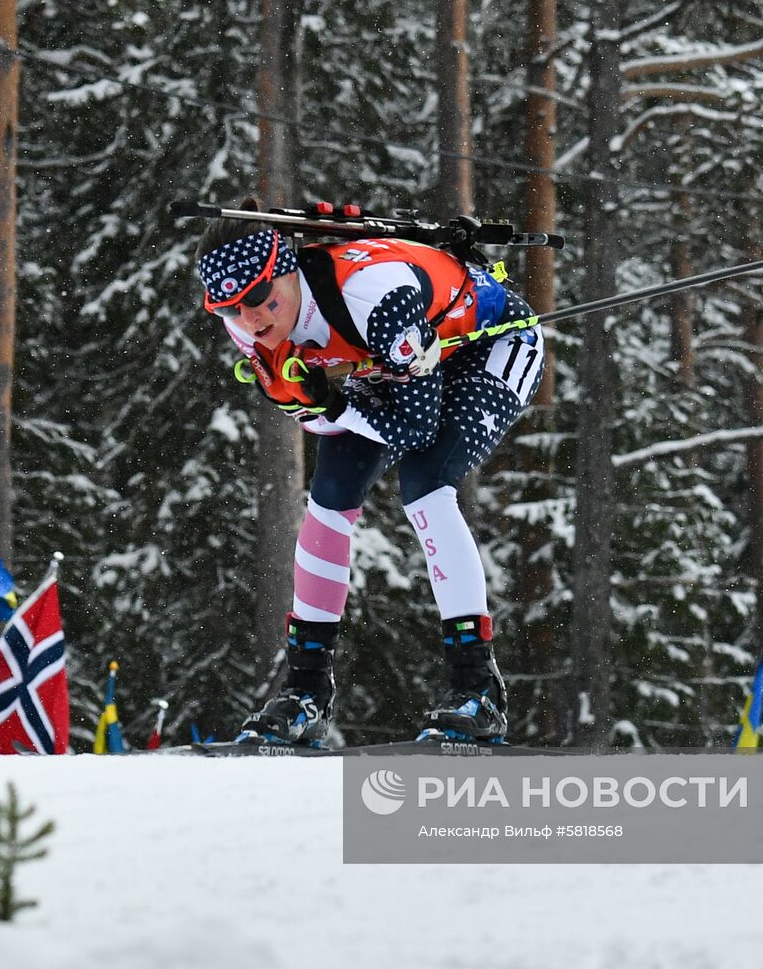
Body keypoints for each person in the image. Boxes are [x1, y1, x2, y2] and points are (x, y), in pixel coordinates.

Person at [195, 198, 545, 745]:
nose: (251, 319)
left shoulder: (372, 296)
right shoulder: (250, 326)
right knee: (329, 496)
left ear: (283, 268)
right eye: (229, 309)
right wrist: (313, 409)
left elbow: (416, 430)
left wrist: (332, 406)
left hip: (489, 342)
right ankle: (306, 692)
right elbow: (328, 424)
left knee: (426, 486)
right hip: (393, 363)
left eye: (259, 298)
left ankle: (478, 689)